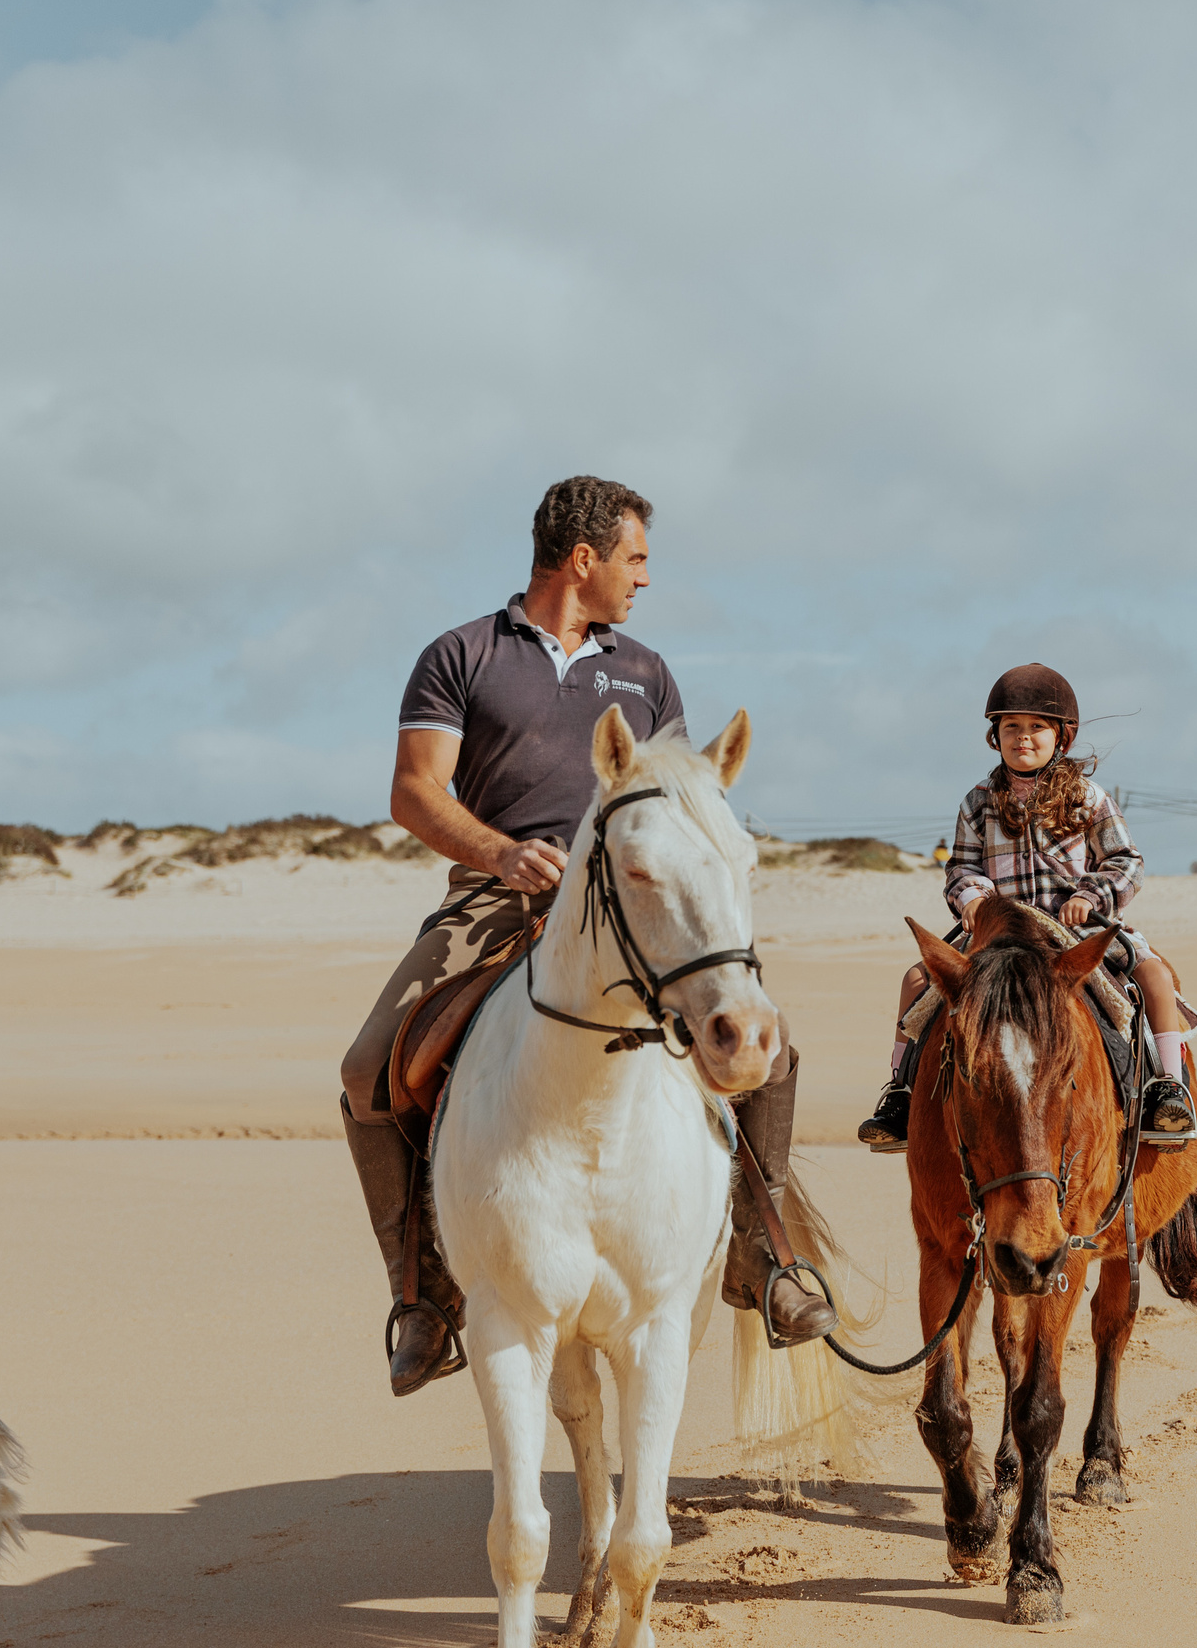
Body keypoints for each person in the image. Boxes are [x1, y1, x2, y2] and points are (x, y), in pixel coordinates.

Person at [338, 475, 836, 1398]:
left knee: (769, 1045)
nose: (644, 579)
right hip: (494, 905)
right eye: (635, 559)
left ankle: (765, 1256)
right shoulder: (461, 655)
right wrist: (499, 853)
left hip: (634, 914)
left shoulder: (646, 673)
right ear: (584, 559)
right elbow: (414, 790)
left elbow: (686, 801)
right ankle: (425, 1293)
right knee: (370, 1069)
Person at [857, 663, 1195, 1151]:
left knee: (1155, 975)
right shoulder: (977, 803)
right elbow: (961, 867)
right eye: (1011, 727)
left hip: (1072, 929)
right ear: (995, 737)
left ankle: (1165, 1085)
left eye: (1037, 727)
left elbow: (1126, 860)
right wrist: (973, 899)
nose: (1023, 738)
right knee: (916, 981)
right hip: (1001, 932)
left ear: (1062, 736)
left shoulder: (1089, 797)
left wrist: (1088, 895)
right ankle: (901, 1093)